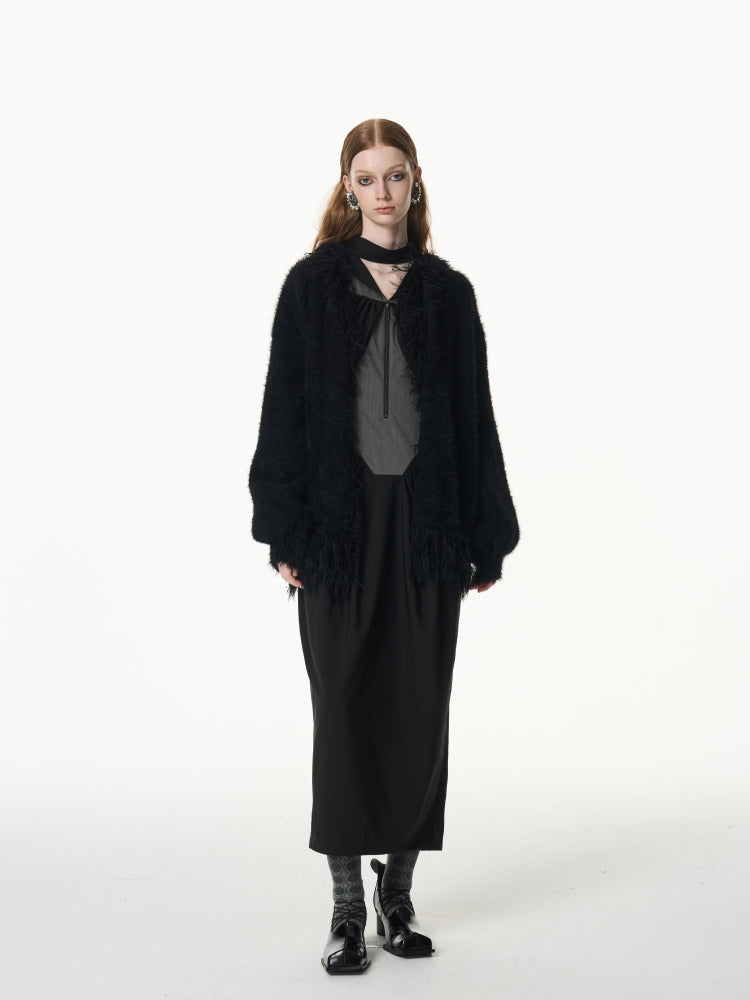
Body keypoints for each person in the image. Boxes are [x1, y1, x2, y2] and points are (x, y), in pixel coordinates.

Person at [248, 118, 520, 974]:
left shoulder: (449, 294)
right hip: (338, 528)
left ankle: (396, 897)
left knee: (417, 710)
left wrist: (485, 532)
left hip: (428, 528)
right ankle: (344, 907)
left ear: (415, 181)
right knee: (343, 712)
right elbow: (283, 409)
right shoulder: (311, 287)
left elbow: (474, 417)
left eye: (395, 175)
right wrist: (284, 526)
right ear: (348, 188)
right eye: (365, 178)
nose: (382, 191)